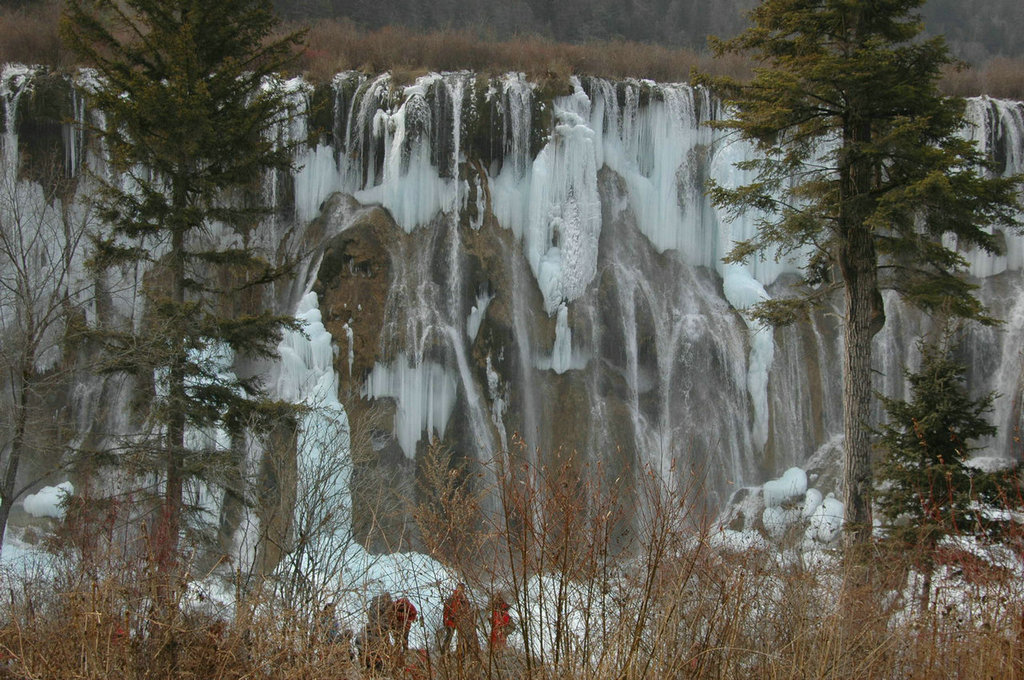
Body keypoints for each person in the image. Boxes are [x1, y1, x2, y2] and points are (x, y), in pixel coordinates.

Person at [440, 582, 479, 660]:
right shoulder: (452, 598)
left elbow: (467, 610)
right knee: (449, 637)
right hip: (451, 621)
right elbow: (446, 610)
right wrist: (446, 619)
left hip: (461, 622)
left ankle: (462, 655)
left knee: (462, 639)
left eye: (462, 589)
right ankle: (444, 654)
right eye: (459, 588)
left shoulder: (465, 600)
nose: (460, 590)